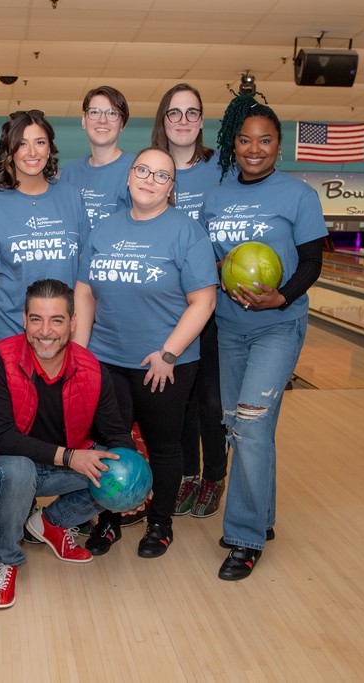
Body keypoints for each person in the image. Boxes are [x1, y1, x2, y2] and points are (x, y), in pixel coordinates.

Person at [202, 93, 327, 580]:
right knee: (242, 427)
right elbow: (207, 257)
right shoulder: (217, 194)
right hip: (229, 329)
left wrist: (284, 297)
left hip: (278, 326)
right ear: (234, 143)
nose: (255, 149)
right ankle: (264, 518)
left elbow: (313, 260)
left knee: (251, 427)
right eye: (246, 139)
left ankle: (244, 537)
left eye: (266, 140)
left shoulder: (298, 195)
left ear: (279, 145)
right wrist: (220, 268)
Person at [74, 148, 217, 558]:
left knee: (164, 446)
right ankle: (110, 520)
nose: (149, 180)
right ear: (129, 176)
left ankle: (160, 522)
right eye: (142, 170)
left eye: (161, 175)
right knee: (109, 447)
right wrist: (82, 353)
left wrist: (168, 354)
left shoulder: (186, 232)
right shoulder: (103, 228)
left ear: (172, 187)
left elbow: (203, 302)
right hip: (106, 361)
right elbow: (84, 290)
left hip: (164, 366)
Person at [0, 279, 134, 609]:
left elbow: (117, 435)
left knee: (117, 470)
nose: (45, 331)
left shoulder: (93, 370)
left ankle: (50, 522)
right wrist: (69, 456)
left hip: (64, 465)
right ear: (24, 320)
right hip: (8, 466)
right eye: (36, 319)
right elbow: (2, 437)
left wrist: (134, 481)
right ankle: (5, 559)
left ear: (73, 323)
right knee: (19, 469)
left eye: (56, 320)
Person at [151, 83, 228, 519]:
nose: (182, 120)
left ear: (201, 121)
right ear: (163, 120)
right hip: (167, 306)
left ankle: (214, 476)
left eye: (191, 112)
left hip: (212, 306)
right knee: (177, 402)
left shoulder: (221, 170)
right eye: (174, 113)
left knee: (210, 402)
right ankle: (187, 476)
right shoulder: (154, 168)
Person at [0, 110, 88, 348]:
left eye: (39, 142)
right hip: (8, 332)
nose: (32, 152)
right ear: (10, 151)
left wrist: (78, 341)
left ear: (49, 148)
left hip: (62, 336)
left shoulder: (71, 196)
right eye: (22, 144)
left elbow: (84, 278)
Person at [60, 85, 134, 229]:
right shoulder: (71, 171)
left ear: (122, 124)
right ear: (84, 119)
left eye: (112, 113)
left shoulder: (136, 168)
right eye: (94, 112)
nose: (102, 120)